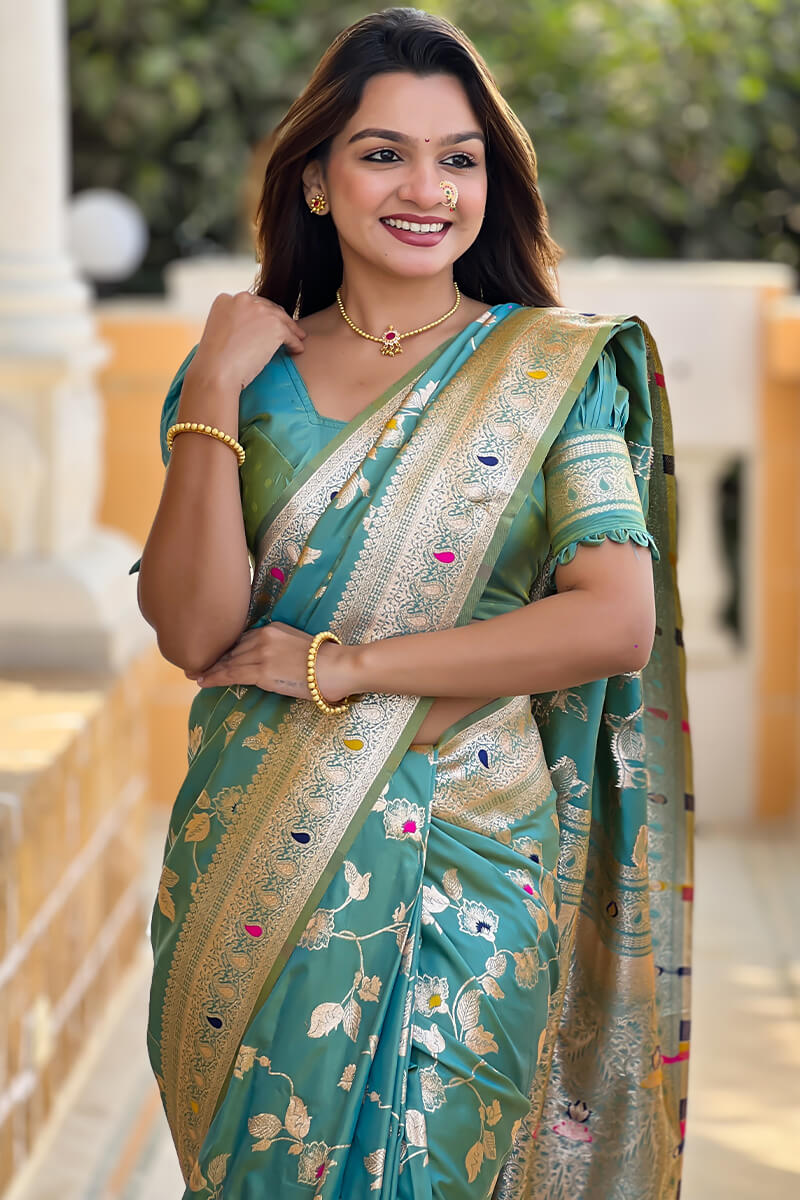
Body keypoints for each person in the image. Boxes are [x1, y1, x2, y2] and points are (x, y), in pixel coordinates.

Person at [131, 8, 693, 1198]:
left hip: (463, 854)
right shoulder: (243, 377)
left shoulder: (553, 373)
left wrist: (343, 667)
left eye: (459, 158)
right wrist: (214, 388)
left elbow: (613, 621)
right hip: (249, 862)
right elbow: (193, 632)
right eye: (383, 153)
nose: (426, 189)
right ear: (316, 179)